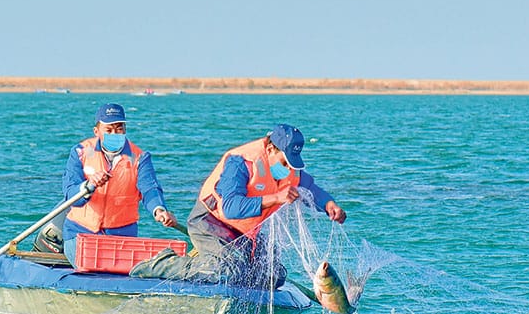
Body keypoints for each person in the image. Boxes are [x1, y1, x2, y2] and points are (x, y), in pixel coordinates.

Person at [131, 123, 346, 288]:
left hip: (246, 233)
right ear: (271, 149)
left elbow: (310, 189)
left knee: (274, 276)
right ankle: (163, 263)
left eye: (291, 162)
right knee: (225, 271)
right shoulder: (241, 161)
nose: (287, 167)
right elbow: (231, 208)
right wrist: (275, 198)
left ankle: (209, 264)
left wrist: (328, 204)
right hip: (210, 221)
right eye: (284, 161)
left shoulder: (289, 169)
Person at [61, 102, 177, 267]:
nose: (114, 134)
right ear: (97, 131)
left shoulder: (140, 158)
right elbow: (71, 195)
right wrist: (88, 186)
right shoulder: (80, 152)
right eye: (108, 130)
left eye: (119, 128)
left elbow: (150, 189)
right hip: (80, 234)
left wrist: (159, 209)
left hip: (121, 236)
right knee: (91, 270)